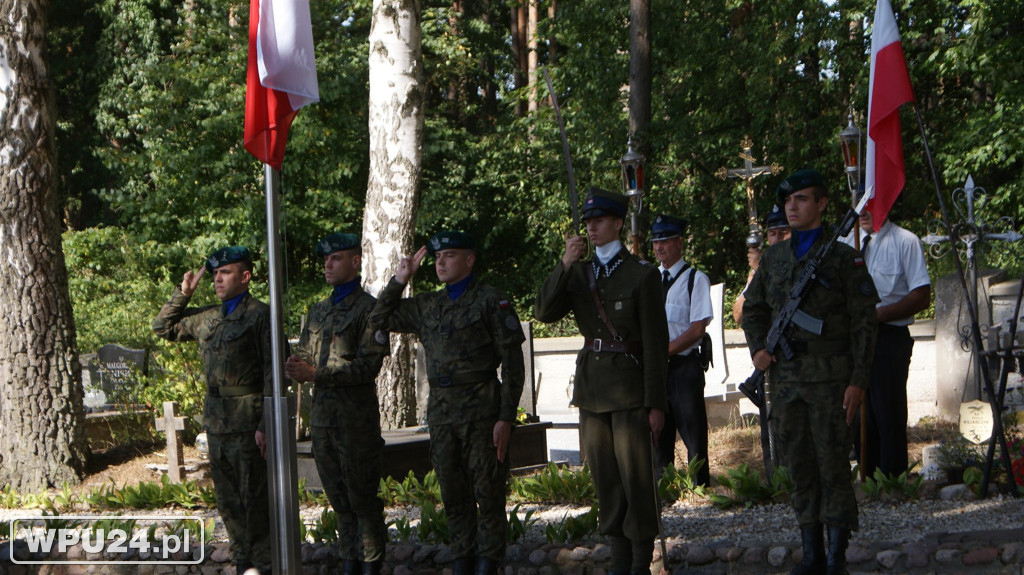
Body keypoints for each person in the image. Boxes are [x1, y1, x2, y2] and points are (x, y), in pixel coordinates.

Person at [741, 170, 878, 575]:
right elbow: (754, 309)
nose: (792, 207)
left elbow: (864, 322)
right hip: (785, 382)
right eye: (788, 201)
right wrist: (759, 348)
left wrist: (858, 380)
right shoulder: (774, 258)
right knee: (798, 465)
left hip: (831, 381)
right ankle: (812, 553)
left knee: (833, 465)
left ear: (821, 204)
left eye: (801, 200)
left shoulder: (842, 258)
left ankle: (836, 557)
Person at [369, 231, 525, 575]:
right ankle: (462, 562)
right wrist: (400, 278)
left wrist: (506, 418)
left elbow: (513, 365)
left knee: (489, 494)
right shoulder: (428, 305)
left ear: (469, 260)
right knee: (454, 497)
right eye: (438, 257)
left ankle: (487, 565)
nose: (440, 262)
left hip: (482, 409)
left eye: (449, 255)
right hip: (442, 412)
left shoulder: (490, 300)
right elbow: (380, 317)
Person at [534, 187, 669, 575]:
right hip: (593, 391)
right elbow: (543, 311)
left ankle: (639, 564)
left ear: (617, 224)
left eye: (599, 221)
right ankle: (618, 563)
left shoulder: (642, 274)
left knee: (637, 481)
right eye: (588, 223)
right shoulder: (578, 272)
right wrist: (563, 264)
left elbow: (656, 347)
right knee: (606, 481)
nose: (591, 228)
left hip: (630, 392)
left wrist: (655, 403)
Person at [152, 246, 272, 575]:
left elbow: (274, 372)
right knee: (228, 502)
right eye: (216, 274)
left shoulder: (260, 315)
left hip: (249, 422)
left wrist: (266, 423)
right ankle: (243, 562)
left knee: (255, 501)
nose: (218, 279)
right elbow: (162, 327)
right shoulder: (208, 317)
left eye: (226, 272)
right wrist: (184, 293)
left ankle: (264, 566)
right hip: (217, 422)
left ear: (245, 277)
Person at [284, 233, 389, 575]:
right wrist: (296, 366)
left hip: (354, 422)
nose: (328, 264)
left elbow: (368, 366)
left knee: (362, 500)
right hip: (324, 421)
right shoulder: (318, 310)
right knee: (340, 503)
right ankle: (350, 563)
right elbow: (304, 351)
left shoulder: (369, 310)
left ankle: (371, 565)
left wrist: (317, 373)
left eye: (336, 258)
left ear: (355, 261)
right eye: (326, 259)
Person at [842, 209, 931, 477]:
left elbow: (921, 296)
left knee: (887, 413)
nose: (866, 211)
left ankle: (892, 482)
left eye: (873, 203)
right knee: (858, 415)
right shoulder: (846, 244)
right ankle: (868, 478)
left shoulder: (905, 241)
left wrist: (877, 315)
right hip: (853, 339)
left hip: (888, 337)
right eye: (861, 205)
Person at [650, 214, 713, 488]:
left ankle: (699, 491)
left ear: (679, 242)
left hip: (683, 369)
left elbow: (697, 328)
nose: (659, 247)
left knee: (694, 438)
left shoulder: (694, 279)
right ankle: (663, 493)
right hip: (657, 372)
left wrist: (664, 351)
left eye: (664, 240)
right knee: (658, 437)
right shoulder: (650, 280)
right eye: (655, 241)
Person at [733, 204, 792, 325]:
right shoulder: (763, 266)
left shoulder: (800, 263)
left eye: (783, 232)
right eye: (772, 233)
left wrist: (760, 270)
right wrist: (756, 277)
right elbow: (738, 316)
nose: (777, 239)